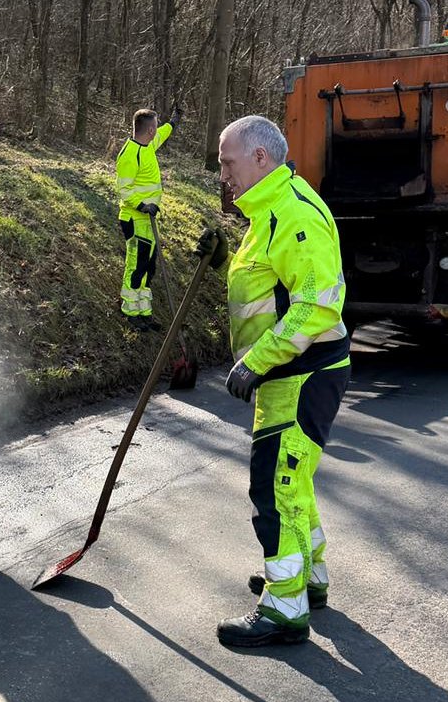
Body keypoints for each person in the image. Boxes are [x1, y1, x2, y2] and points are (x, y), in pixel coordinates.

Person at [196, 115, 351, 648]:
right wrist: (223, 260)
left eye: (228, 163)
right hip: (287, 375)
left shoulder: (293, 214)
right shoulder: (268, 208)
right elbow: (267, 285)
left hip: (302, 374)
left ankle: (285, 608)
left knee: (276, 489)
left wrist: (255, 362)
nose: (224, 175)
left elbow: (315, 306)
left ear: (260, 157)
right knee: (294, 482)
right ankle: (308, 578)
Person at [115, 105, 182, 332]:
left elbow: (163, 133)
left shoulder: (149, 144)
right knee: (136, 265)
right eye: (156, 126)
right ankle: (130, 311)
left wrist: (173, 122)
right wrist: (142, 205)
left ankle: (144, 311)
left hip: (148, 221)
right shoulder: (129, 154)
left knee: (148, 266)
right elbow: (124, 189)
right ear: (149, 130)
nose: (157, 130)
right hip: (134, 219)